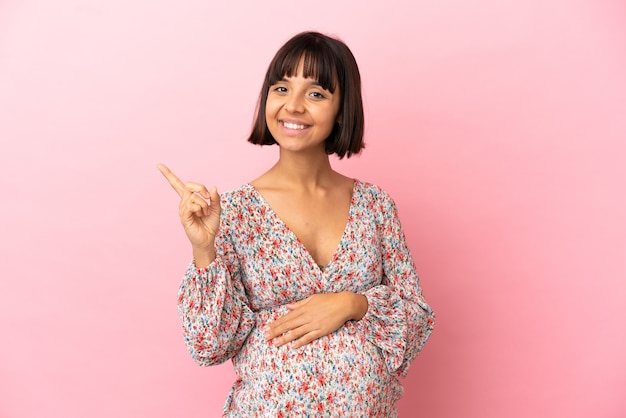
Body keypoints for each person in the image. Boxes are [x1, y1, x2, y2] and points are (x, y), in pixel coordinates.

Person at [158, 31, 435, 417]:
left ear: (342, 109)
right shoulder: (234, 212)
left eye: (316, 93)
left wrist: (353, 304)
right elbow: (209, 345)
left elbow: (415, 321)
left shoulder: (375, 207)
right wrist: (204, 250)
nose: (294, 106)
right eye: (281, 88)